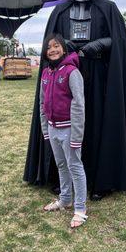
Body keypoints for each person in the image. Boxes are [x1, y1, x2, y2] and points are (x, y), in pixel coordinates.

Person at [23, 0, 126, 199]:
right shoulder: (59, 10)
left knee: (98, 123)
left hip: (99, 77)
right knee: (64, 123)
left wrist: (98, 45)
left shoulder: (108, 8)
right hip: (65, 73)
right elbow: (50, 43)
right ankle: (63, 178)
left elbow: (119, 41)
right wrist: (63, 44)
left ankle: (102, 180)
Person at [40, 33, 87, 228]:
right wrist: (45, 128)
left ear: (64, 49)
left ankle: (80, 209)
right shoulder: (45, 73)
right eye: (49, 47)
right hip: (53, 128)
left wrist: (77, 135)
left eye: (56, 46)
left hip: (69, 129)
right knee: (61, 165)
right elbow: (42, 103)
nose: (53, 50)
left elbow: (79, 104)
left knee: (74, 166)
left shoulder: (71, 72)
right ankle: (65, 199)